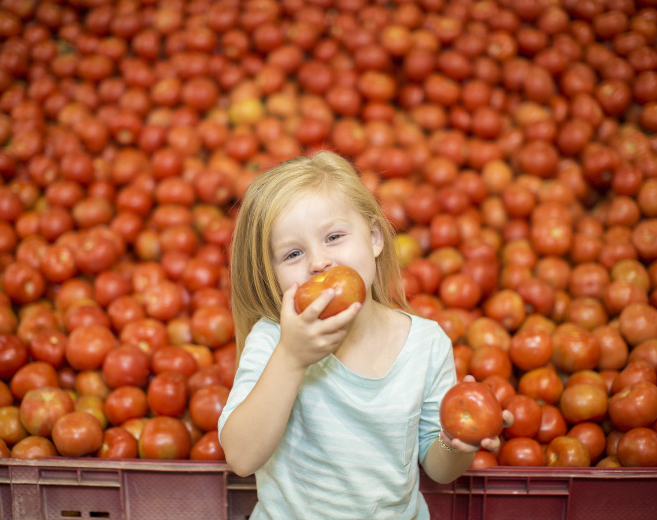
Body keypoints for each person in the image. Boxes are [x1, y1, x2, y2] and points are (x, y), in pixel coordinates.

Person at [218, 151, 509, 519]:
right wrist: (291, 358)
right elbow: (242, 457)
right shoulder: (274, 340)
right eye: (293, 254)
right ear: (272, 276)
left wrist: (459, 442)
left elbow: (437, 469)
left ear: (374, 238)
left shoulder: (425, 344)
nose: (319, 262)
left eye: (334, 236)